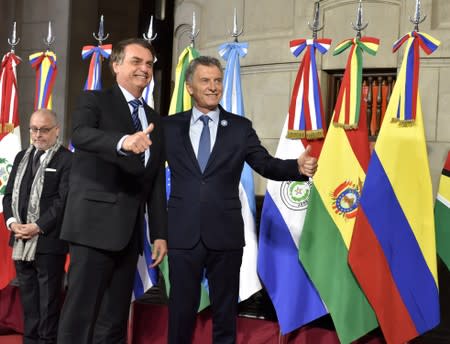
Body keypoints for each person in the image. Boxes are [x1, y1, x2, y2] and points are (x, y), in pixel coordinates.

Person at [163, 56, 318, 344]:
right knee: (180, 313)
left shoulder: (239, 127)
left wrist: (296, 168)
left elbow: (264, 163)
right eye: (205, 80)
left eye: (218, 80)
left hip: (226, 235)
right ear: (189, 87)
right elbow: (149, 174)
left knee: (225, 315)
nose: (213, 87)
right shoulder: (168, 127)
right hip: (182, 234)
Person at [57, 38, 167, 344]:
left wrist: (159, 233)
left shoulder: (155, 120)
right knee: (80, 316)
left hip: (130, 234)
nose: (144, 69)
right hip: (92, 227)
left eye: (149, 64)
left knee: (114, 320)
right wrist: (123, 142)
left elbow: (155, 178)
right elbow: (80, 134)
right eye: (136, 61)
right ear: (115, 64)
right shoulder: (94, 100)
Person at [2, 108, 72, 344]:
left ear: (56, 130)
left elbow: (64, 202)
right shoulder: (22, 156)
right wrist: (12, 223)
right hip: (20, 240)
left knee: (48, 303)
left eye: (44, 129)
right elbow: (8, 193)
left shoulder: (67, 159)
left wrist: (38, 226)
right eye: (34, 129)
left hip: (48, 243)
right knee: (29, 302)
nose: (37, 135)